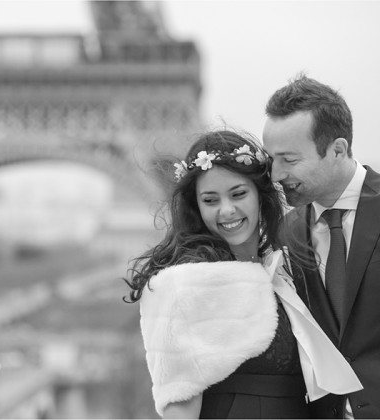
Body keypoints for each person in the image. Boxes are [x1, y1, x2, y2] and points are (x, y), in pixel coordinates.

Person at [124, 130, 361, 419]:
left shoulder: (283, 271)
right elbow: (179, 408)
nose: (227, 210)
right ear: (196, 207)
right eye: (210, 200)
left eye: (238, 194)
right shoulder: (185, 285)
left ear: (261, 196)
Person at [263, 74, 380, 419]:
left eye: (289, 159)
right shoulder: (281, 233)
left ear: (338, 150)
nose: (274, 175)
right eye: (271, 159)